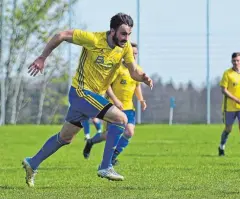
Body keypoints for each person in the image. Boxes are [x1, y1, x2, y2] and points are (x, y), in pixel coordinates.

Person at [23, 13, 153, 187]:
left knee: (65, 137)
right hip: (80, 92)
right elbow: (61, 35)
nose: (126, 38)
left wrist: (142, 77)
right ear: (112, 31)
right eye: (123, 34)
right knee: (121, 118)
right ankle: (106, 166)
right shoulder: (93, 39)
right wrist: (42, 57)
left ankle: (32, 163)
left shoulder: (125, 47)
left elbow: (133, 71)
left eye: (129, 34)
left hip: (91, 98)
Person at [83, 42, 147, 166]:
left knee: (129, 132)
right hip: (114, 108)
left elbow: (137, 86)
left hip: (129, 108)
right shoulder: (117, 68)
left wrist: (141, 100)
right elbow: (106, 85)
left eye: (135, 54)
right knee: (108, 135)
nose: (133, 57)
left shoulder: (138, 70)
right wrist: (115, 100)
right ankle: (91, 142)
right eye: (131, 54)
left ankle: (112, 157)